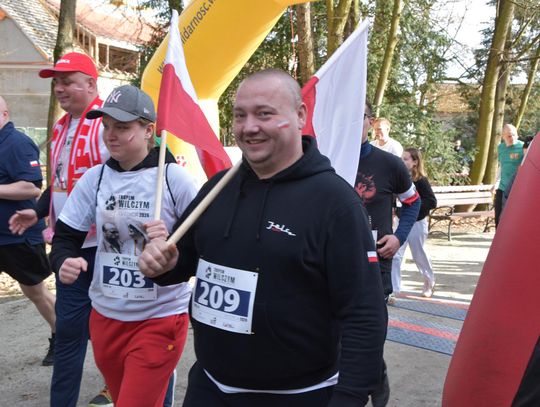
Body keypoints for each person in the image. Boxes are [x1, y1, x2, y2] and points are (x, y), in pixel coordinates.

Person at [138, 69, 387, 407]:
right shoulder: (218, 188)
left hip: (298, 395)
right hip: (209, 387)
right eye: (240, 115)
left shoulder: (335, 202)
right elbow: (180, 262)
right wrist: (161, 264)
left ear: (300, 115)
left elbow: (364, 312)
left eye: (264, 114)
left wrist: (350, 396)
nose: (249, 127)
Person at [49, 85, 198, 406]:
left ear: (148, 131)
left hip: (159, 318)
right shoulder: (95, 178)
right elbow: (64, 238)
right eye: (106, 126)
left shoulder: (173, 179)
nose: (110, 135)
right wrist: (63, 261)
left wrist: (172, 244)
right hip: (106, 317)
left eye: (122, 127)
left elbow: (204, 244)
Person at [8, 52, 115, 407]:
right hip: (68, 246)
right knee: (69, 329)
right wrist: (37, 212)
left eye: (68, 81)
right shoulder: (60, 126)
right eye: (57, 83)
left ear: (91, 84)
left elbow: (124, 176)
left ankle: (114, 386)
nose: (60, 89)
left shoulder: (106, 123)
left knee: (110, 322)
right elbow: (60, 181)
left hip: (106, 246)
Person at [355, 104, 421, 407]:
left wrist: (398, 237)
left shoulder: (390, 164)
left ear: (370, 122)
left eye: (360, 117)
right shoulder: (326, 158)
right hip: (332, 257)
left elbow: (414, 202)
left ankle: (376, 375)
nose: (354, 122)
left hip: (375, 259)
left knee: (371, 328)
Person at [0, 95, 56, 366]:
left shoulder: (17, 143)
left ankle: (62, 335)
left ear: (4, 114)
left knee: (35, 292)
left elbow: (32, 187)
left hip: (17, 236)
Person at [391, 148, 437, 298]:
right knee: (396, 254)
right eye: (401, 158)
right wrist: (394, 209)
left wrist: (413, 208)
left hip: (417, 223)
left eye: (406, 159)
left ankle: (429, 281)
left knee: (419, 255)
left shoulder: (421, 181)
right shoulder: (399, 178)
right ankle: (394, 289)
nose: (402, 161)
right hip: (400, 221)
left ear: (415, 162)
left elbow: (431, 201)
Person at [493, 123, 523, 228]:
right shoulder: (500, 148)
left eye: (514, 135)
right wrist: (495, 183)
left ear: (517, 135)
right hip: (502, 187)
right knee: (498, 218)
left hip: (517, 189)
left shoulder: (523, 147)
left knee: (513, 219)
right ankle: (498, 238)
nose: (512, 138)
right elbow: (502, 166)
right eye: (509, 136)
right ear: (503, 137)